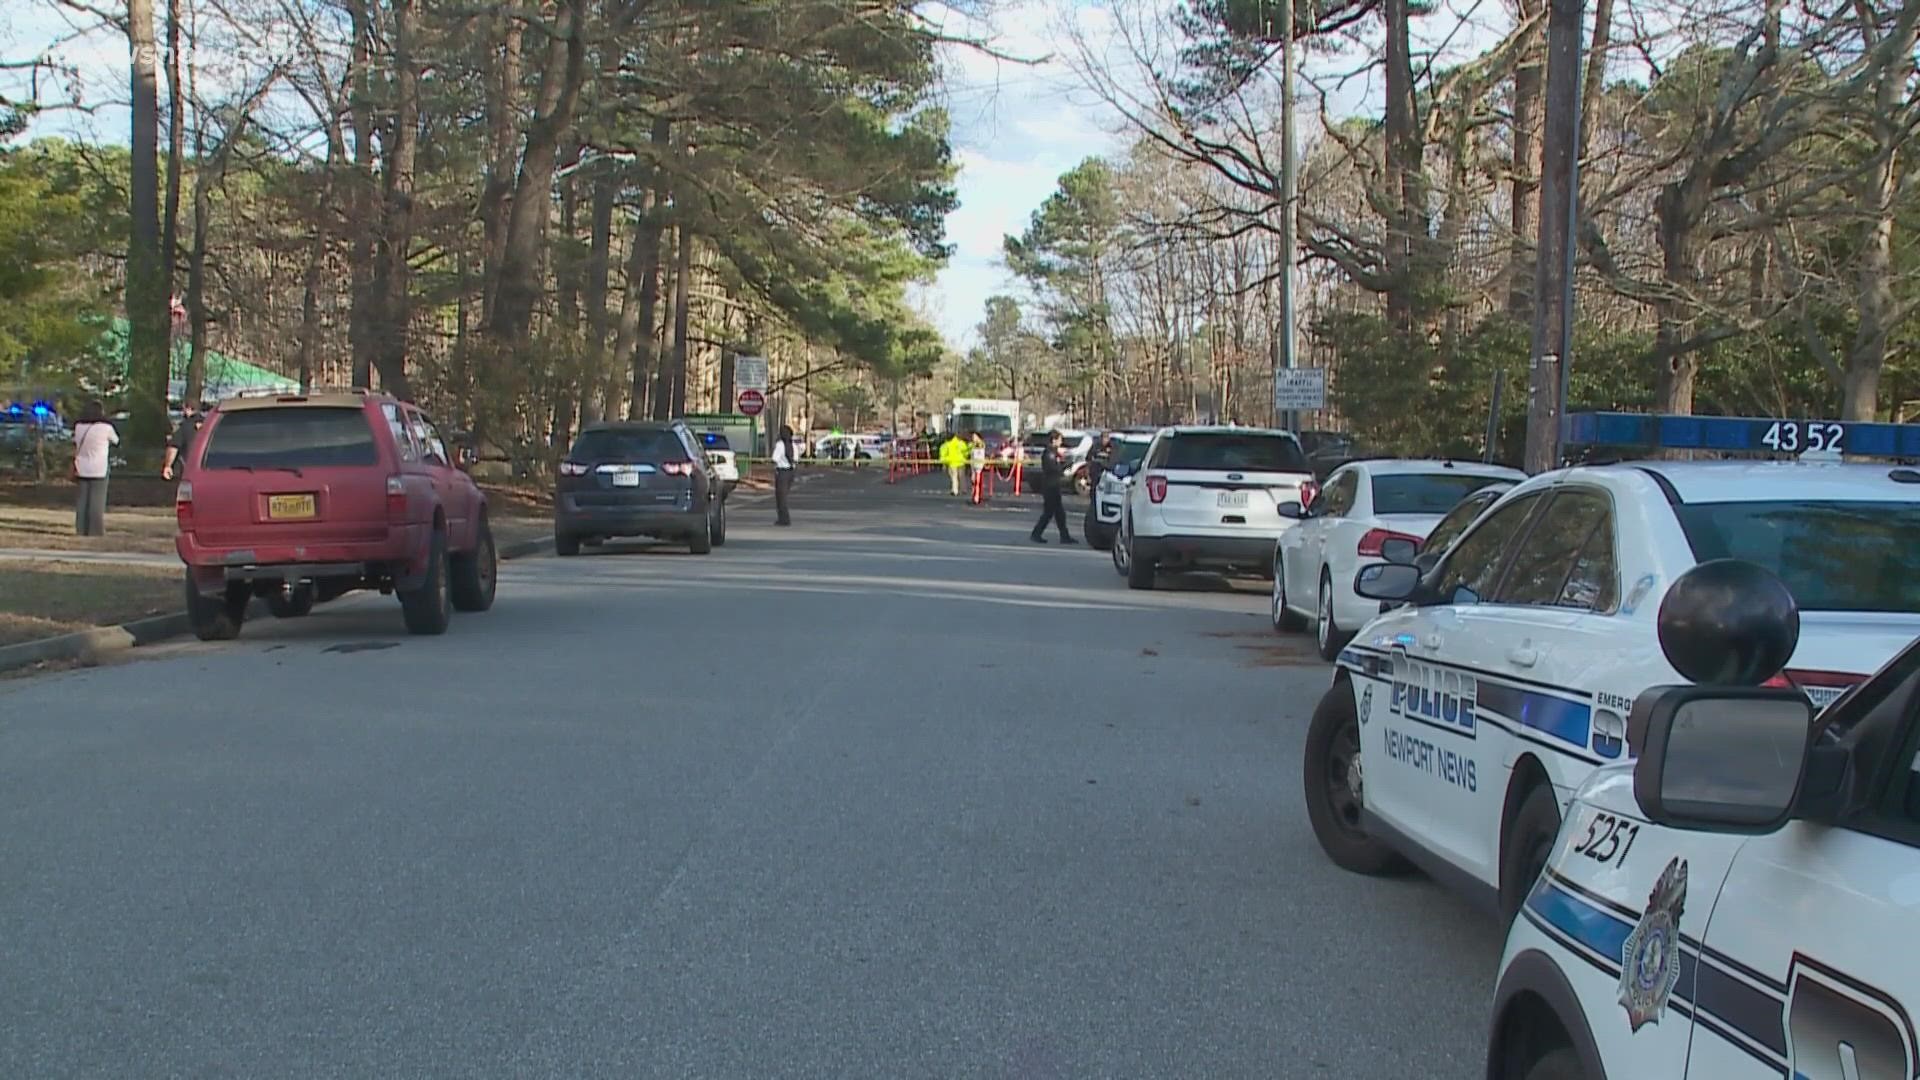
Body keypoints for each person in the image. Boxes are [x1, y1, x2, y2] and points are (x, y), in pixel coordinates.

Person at [70, 400, 119, 537]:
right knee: (96, 501)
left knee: (82, 501)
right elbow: (116, 440)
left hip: (81, 466)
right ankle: (95, 530)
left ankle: (81, 529)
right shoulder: (105, 428)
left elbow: (74, 443)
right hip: (99, 467)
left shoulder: (78, 427)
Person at [1028, 429, 1078, 545]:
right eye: (1059, 440)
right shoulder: (1049, 453)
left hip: (1054, 485)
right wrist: (1064, 466)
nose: (1061, 442)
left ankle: (1064, 536)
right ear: (1054, 440)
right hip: (1050, 486)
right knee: (1049, 512)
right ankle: (1036, 534)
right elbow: (1052, 469)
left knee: (1059, 513)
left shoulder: (1054, 452)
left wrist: (1065, 465)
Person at [162, 400, 209, 481]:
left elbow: (173, 447)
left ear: (188, 409)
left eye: (183, 409)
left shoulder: (185, 426)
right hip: (210, 471)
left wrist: (168, 466)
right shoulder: (209, 424)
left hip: (190, 470)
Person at [772, 423, 797, 525]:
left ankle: (784, 519)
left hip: (782, 472)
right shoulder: (793, 445)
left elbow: (775, 458)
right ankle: (784, 518)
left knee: (780, 497)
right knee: (784, 495)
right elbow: (796, 459)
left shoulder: (780, 445)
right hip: (791, 472)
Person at [939, 431, 970, 496]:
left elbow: (942, 454)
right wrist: (965, 458)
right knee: (962, 477)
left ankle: (955, 490)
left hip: (952, 462)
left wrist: (944, 462)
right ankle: (963, 489)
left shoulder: (946, 444)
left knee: (954, 477)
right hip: (961, 462)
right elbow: (966, 452)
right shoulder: (960, 443)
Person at [968, 432, 987, 504]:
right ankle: (974, 496)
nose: (973, 438)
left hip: (978, 465)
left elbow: (978, 455)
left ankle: (977, 497)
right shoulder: (972, 445)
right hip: (973, 464)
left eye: (975, 437)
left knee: (977, 482)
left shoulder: (980, 444)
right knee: (973, 481)